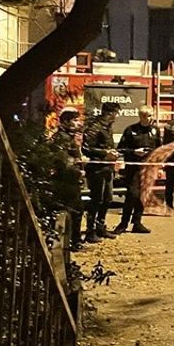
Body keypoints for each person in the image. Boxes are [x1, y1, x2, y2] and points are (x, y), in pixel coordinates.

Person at [115, 105, 160, 233]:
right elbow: (121, 149)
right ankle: (123, 223)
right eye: (145, 116)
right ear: (140, 117)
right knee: (132, 195)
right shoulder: (131, 130)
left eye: (150, 116)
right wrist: (134, 152)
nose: (148, 119)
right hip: (133, 168)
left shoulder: (155, 131)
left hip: (148, 169)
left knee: (142, 196)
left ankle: (137, 222)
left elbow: (159, 149)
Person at [80, 102, 120, 243]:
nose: (116, 116)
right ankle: (90, 231)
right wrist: (104, 153)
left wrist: (112, 153)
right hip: (96, 170)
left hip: (107, 169)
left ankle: (100, 227)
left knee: (107, 199)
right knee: (96, 200)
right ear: (109, 113)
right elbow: (86, 149)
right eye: (115, 113)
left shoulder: (107, 127)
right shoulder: (95, 127)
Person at [49, 109, 86, 250]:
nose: (78, 123)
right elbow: (63, 162)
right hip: (66, 182)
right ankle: (71, 242)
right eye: (75, 120)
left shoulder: (69, 137)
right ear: (65, 122)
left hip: (72, 181)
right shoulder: (61, 138)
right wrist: (78, 171)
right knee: (72, 211)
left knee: (77, 211)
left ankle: (74, 240)